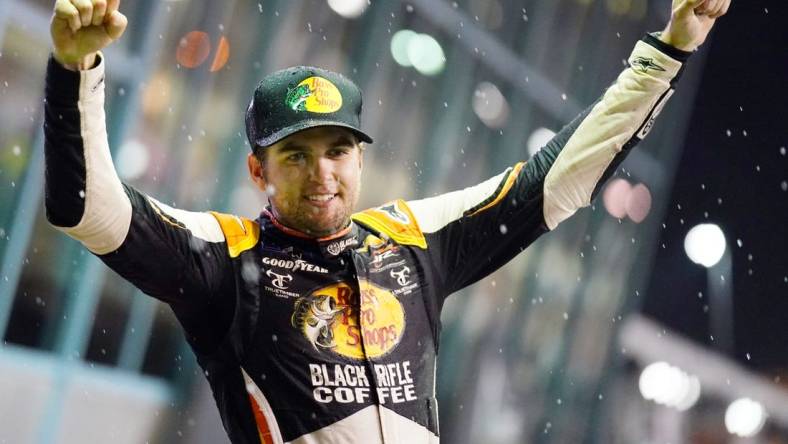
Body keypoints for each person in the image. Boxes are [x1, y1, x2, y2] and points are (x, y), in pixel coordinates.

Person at [43, 0, 730, 442]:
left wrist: (669, 48)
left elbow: (560, 176)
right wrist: (77, 70)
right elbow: (90, 209)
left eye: (339, 150)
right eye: (296, 155)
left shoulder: (410, 241)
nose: (323, 174)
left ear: (360, 158)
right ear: (258, 172)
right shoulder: (224, 261)